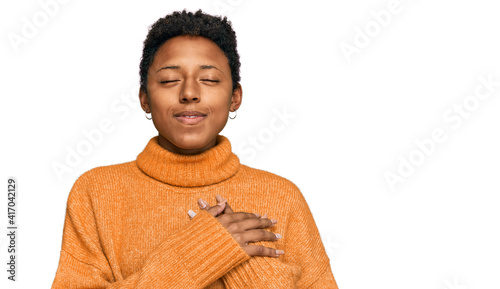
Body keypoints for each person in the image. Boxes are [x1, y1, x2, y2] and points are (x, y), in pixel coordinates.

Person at [51, 9, 339, 288]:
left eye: (210, 79)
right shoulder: (96, 191)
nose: (189, 93)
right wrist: (196, 255)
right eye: (169, 80)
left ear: (235, 97)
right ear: (144, 99)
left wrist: (237, 263)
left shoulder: (282, 196)